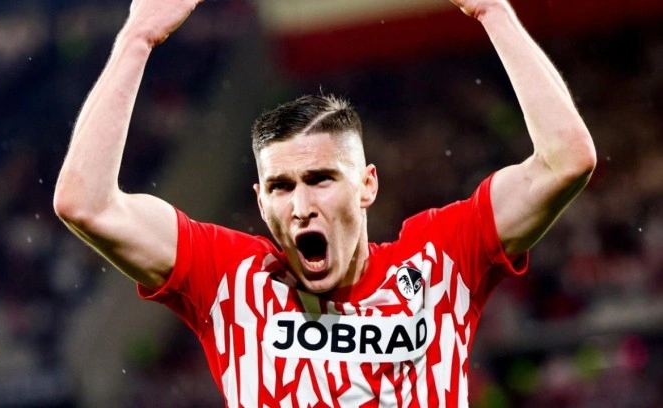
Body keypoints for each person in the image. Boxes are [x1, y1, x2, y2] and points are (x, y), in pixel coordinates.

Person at [53, 0, 596, 406]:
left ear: (366, 185)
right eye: (281, 186)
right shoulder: (229, 278)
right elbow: (86, 204)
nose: (301, 205)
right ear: (260, 201)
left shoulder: (440, 259)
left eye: (320, 179)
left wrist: (493, 11)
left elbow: (565, 162)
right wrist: (137, 39)